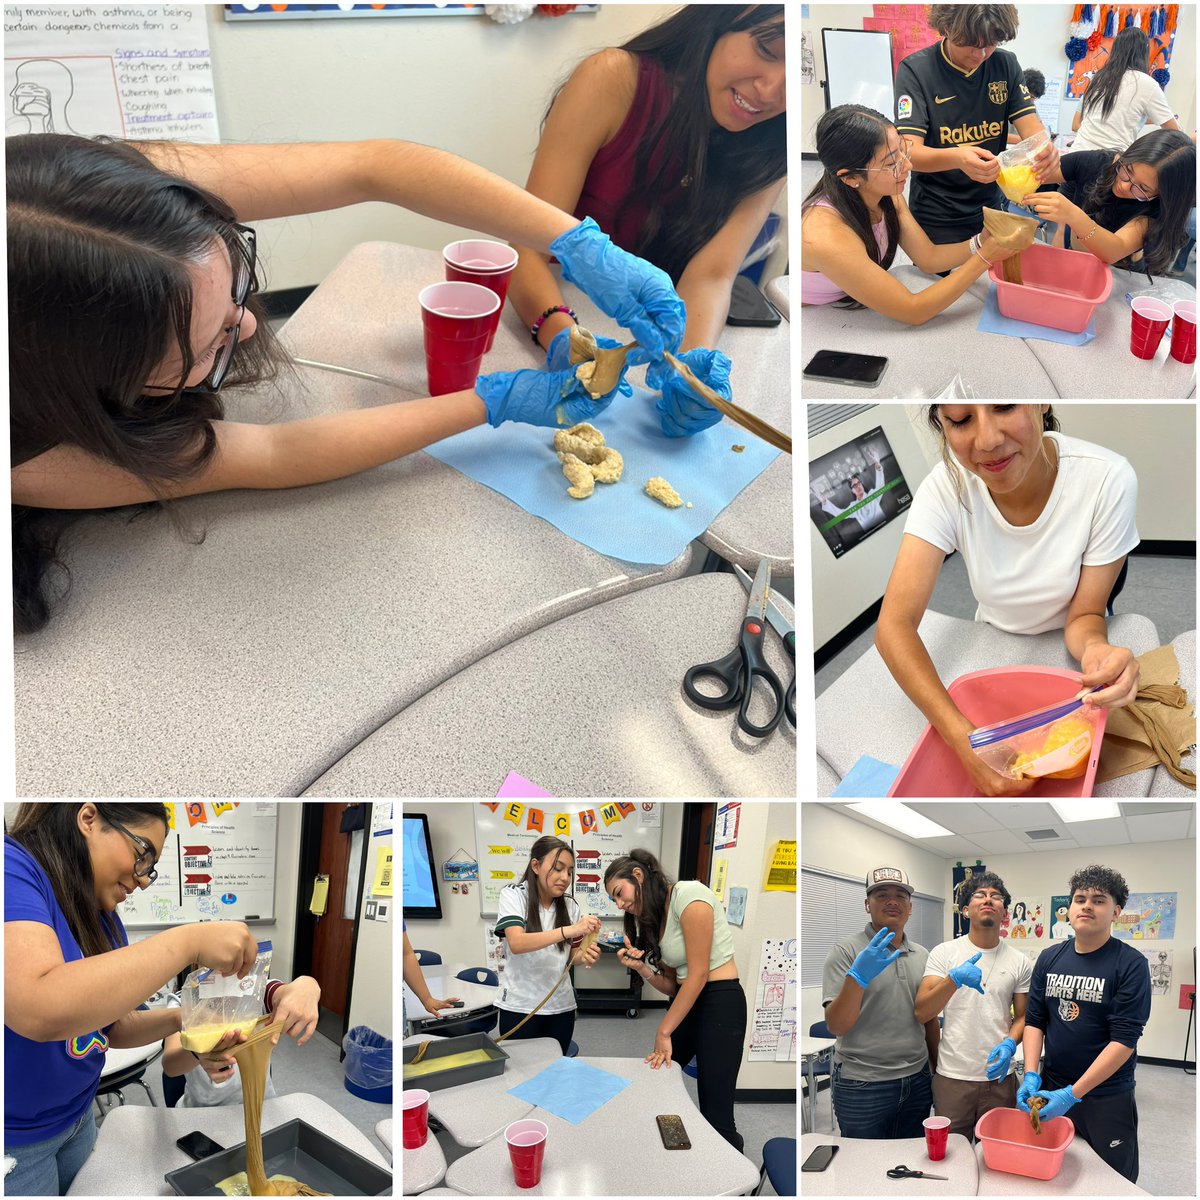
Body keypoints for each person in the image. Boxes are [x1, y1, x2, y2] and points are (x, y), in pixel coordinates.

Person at [8, 133, 687, 634]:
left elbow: (375, 165)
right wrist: (491, 401)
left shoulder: (90, 203)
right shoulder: (30, 455)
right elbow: (270, 456)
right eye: (204, 343)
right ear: (88, 386)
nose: (247, 329)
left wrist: (579, 244)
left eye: (237, 287)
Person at [507, 4, 786, 438]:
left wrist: (691, 372)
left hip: (654, 342)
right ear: (717, 20)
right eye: (767, 51)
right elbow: (527, 249)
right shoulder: (614, 79)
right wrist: (566, 340)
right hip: (551, 312)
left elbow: (712, 275)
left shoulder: (773, 144)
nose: (771, 91)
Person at [2, 803, 269, 1195]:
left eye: (151, 866)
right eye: (143, 854)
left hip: (77, 1117)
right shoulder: (12, 869)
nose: (144, 880)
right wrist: (188, 941)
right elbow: (38, 1009)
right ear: (89, 819)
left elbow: (114, 1026)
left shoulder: (100, 914)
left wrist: (185, 1020)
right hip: (16, 1138)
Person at [876, 405, 1141, 797]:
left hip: (1070, 658)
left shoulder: (1106, 479)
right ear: (942, 425)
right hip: (992, 646)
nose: (988, 441)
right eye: (961, 420)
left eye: (1004, 407)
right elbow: (893, 626)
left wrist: (1097, 651)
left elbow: (1084, 615)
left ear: (1041, 403)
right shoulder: (947, 487)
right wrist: (965, 741)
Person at [800, 105, 1018, 321]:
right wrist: (985, 257)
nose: (908, 165)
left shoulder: (887, 195)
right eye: (891, 163)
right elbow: (913, 310)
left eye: (903, 150)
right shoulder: (823, 234)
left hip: (848, 307)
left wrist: (980, 242)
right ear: (850, 178)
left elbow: (928, 258)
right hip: (817, 319)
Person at [604, 849, 745, 1152]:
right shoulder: (657, 917)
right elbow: (673, 986)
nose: (620, 904)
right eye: (614, 900)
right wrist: (641, 967)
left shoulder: (690, 895)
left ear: (638, 875)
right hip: (689, 1002)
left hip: (721, 1003)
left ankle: (734, 1179)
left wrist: (663, 1030)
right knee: (655, 1075)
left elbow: (699, 974)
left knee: (716, 1112)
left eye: (619, 893)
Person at [894, 5, 1058, 262]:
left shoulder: (1005, 64)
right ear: (946, 27)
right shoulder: (917, 71)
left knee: (987, 281)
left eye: (991, 44)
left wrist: (1043, 148)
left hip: (988, 206)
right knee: (943, 287)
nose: (981, 54)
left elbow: (1031, 128)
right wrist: (958, 158)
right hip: (937, 212)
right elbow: (909, 152)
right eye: (970, 43)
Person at [1018, 865, 1150, 1183]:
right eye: (1079, 899)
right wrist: (1032, 1073)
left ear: (1116, 911)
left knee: (1110, 1178)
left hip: (1106, 1096)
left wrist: (1073, 1094)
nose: (1087, 905)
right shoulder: (1049, 958)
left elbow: (1124, 1040)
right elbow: (1035, 1021)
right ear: (1070, 908)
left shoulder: (1130, 964)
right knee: (1053, 1170)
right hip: (1051, 1087)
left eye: (1098, 900)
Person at [822, 866, 939, 1139]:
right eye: (882, 895)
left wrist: (937, 1073)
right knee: (862, 1167)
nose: (892, 901)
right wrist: (858, 977)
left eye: (901, 896)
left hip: (916, 1079)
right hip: (862, 1083)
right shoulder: (846, 952)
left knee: (909, 1163)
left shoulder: (923, 956)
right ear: (867, 904)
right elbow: (837, 1026)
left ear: (910, 908)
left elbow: (929, 1019)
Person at [915, 872, 1031, 1140]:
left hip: (1000, 1077)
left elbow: (1023, 1017)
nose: (988, 899)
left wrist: (1010, 1044)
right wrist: (953, 980)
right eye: (980, 895)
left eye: (996, 896)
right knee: (953, 1155)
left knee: (996, 1152)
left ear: (1004, 912)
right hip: (953, 1076)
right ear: (966, 910)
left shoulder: (1019, 961)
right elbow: (923, 1011)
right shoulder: (944, 953)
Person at [1016, 129, 1195, 282]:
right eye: (1127, 171)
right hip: (1077, 257)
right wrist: (1003, 169)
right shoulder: (1096, 162)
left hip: (1120, 276)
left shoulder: (1157, 210)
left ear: (1162, 195)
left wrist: (1073, 215)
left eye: (1142, 188)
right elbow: (1036, 174)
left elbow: (1114, 249)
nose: (1124, 185)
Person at [493, 836, 601, 1056]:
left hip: (561, 1007)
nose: (565, 877)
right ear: (535, 866)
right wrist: (569, 930)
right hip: (520, 1007)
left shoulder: (570, 905)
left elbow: (571, 957)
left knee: (555, 1072)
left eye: (569, 871)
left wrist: (585, 956)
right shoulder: (514, 895)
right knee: (520, 1075)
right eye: (558, 869)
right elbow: (517, 943)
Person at [162, 972, 321, 1108]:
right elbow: (170, 1066)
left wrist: (308, 986)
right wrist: (197, 1053)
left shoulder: (257, 992)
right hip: (203, 1111)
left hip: (260, 1104)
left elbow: (293, 991)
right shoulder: (183, 1002)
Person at [1067, 27, 1182, 156]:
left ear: (1115, 50)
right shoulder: (1147, 84)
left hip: (1075, 155)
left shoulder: (1099, 77)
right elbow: (1175, 133)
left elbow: (1120, 115)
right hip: (1107, 161)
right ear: (1144, 53)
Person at [814, 455, 887, 535]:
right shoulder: (854, 507)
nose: (858, 486)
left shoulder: (872, 495)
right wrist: (825, 502)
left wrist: (878, 465)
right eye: (854, 486)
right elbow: (840, 514)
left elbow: (880, 485)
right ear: (852, 491)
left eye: (859, 483)